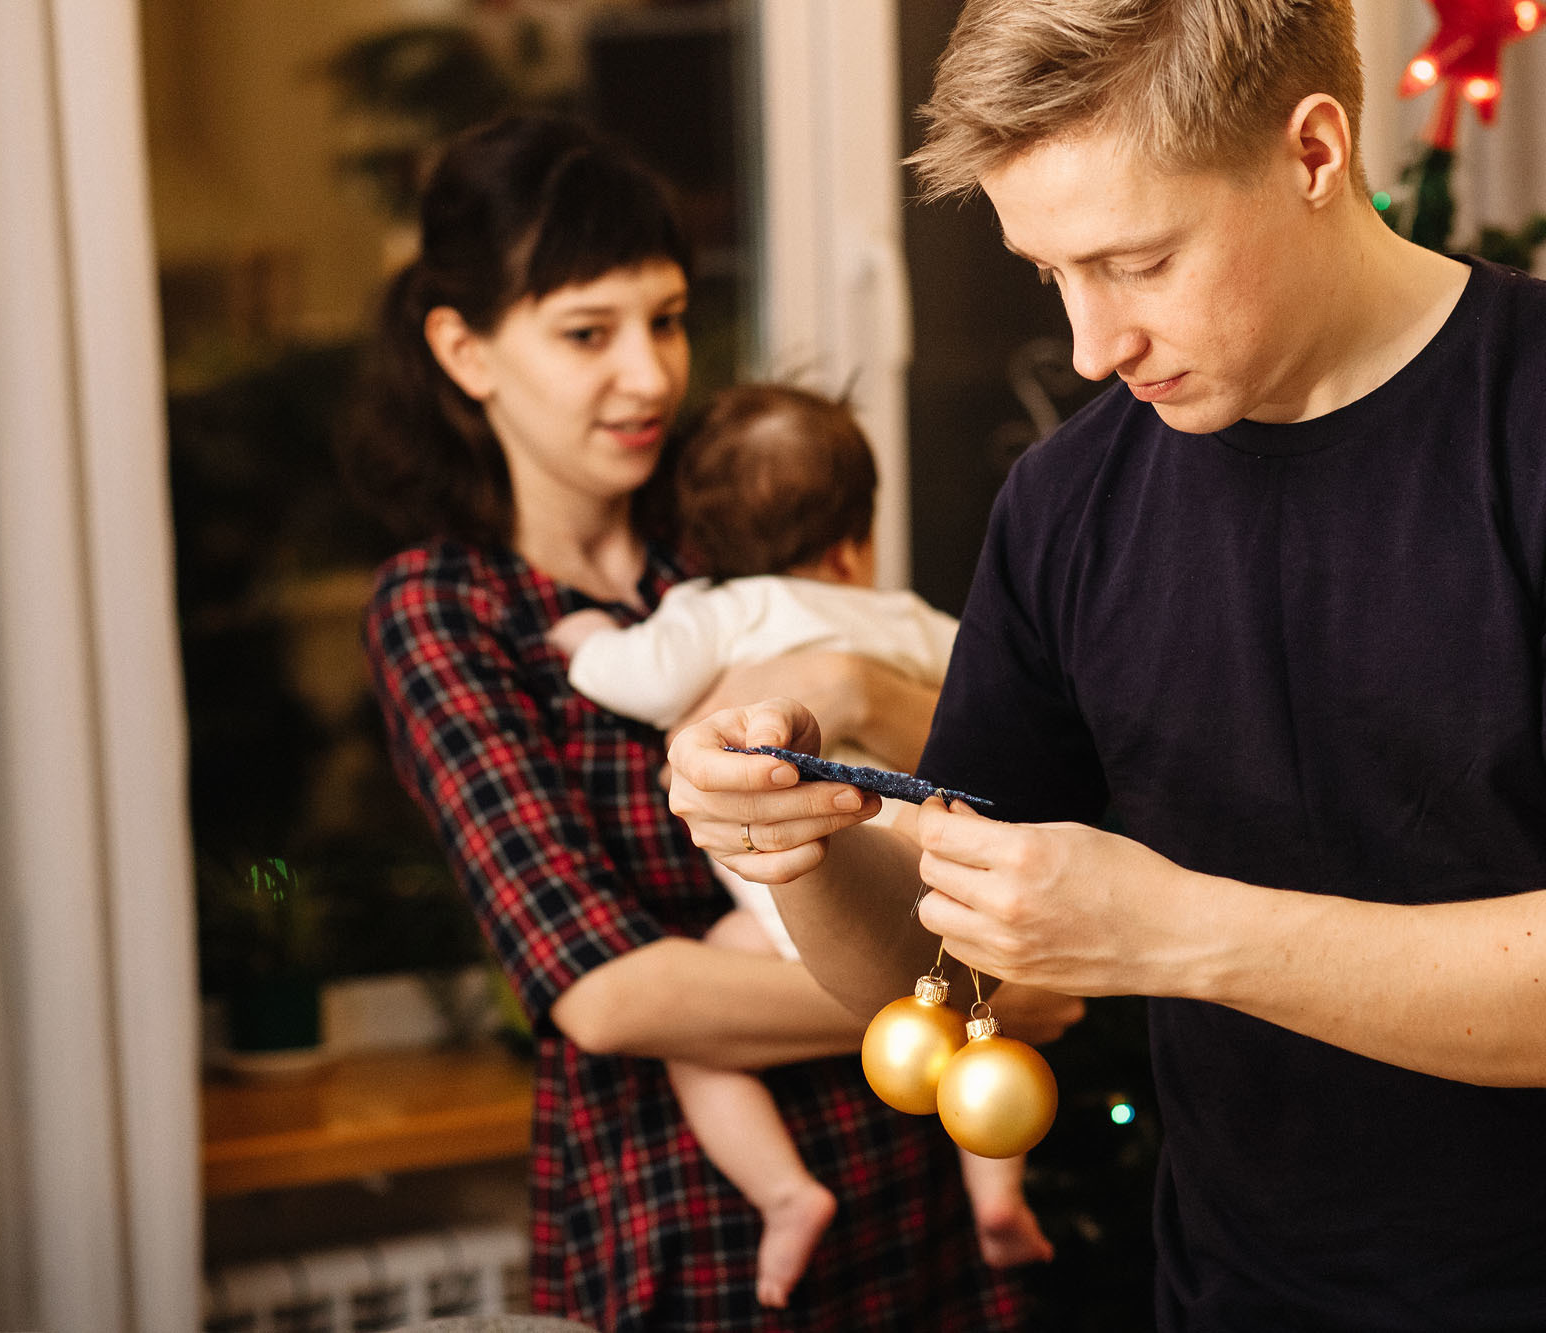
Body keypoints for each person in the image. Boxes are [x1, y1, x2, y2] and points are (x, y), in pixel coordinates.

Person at [663, 2, 1546, 1329]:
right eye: (1054, 277)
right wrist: (801, 845)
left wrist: (1173, 928)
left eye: (1137, 262)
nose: (1094, 345)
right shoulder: (1063, 507)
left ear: (1315, 152)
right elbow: (972, 985)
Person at [347, 113, 1077, 1332]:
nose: (649, 374)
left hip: (916, 1178)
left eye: (669, 319)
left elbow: (960, 745)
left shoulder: (737, 519)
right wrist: (961, 994)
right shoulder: (448, 608)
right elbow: (607, 994)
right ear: (465, 351)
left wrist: (850, 685)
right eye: (588, 333)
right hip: (691, 1230)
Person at [546, 383, 1056, 1304]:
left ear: (701, 552)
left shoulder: (713, 612)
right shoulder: (898, 613)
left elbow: (632, 675)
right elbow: (987, 696)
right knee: (987, 1039)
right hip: (942, 874)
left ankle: (784, 1195)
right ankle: (998, 1195)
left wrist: (584, 638)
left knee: (701, 1042)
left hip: (811, 894)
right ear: (853, 543)